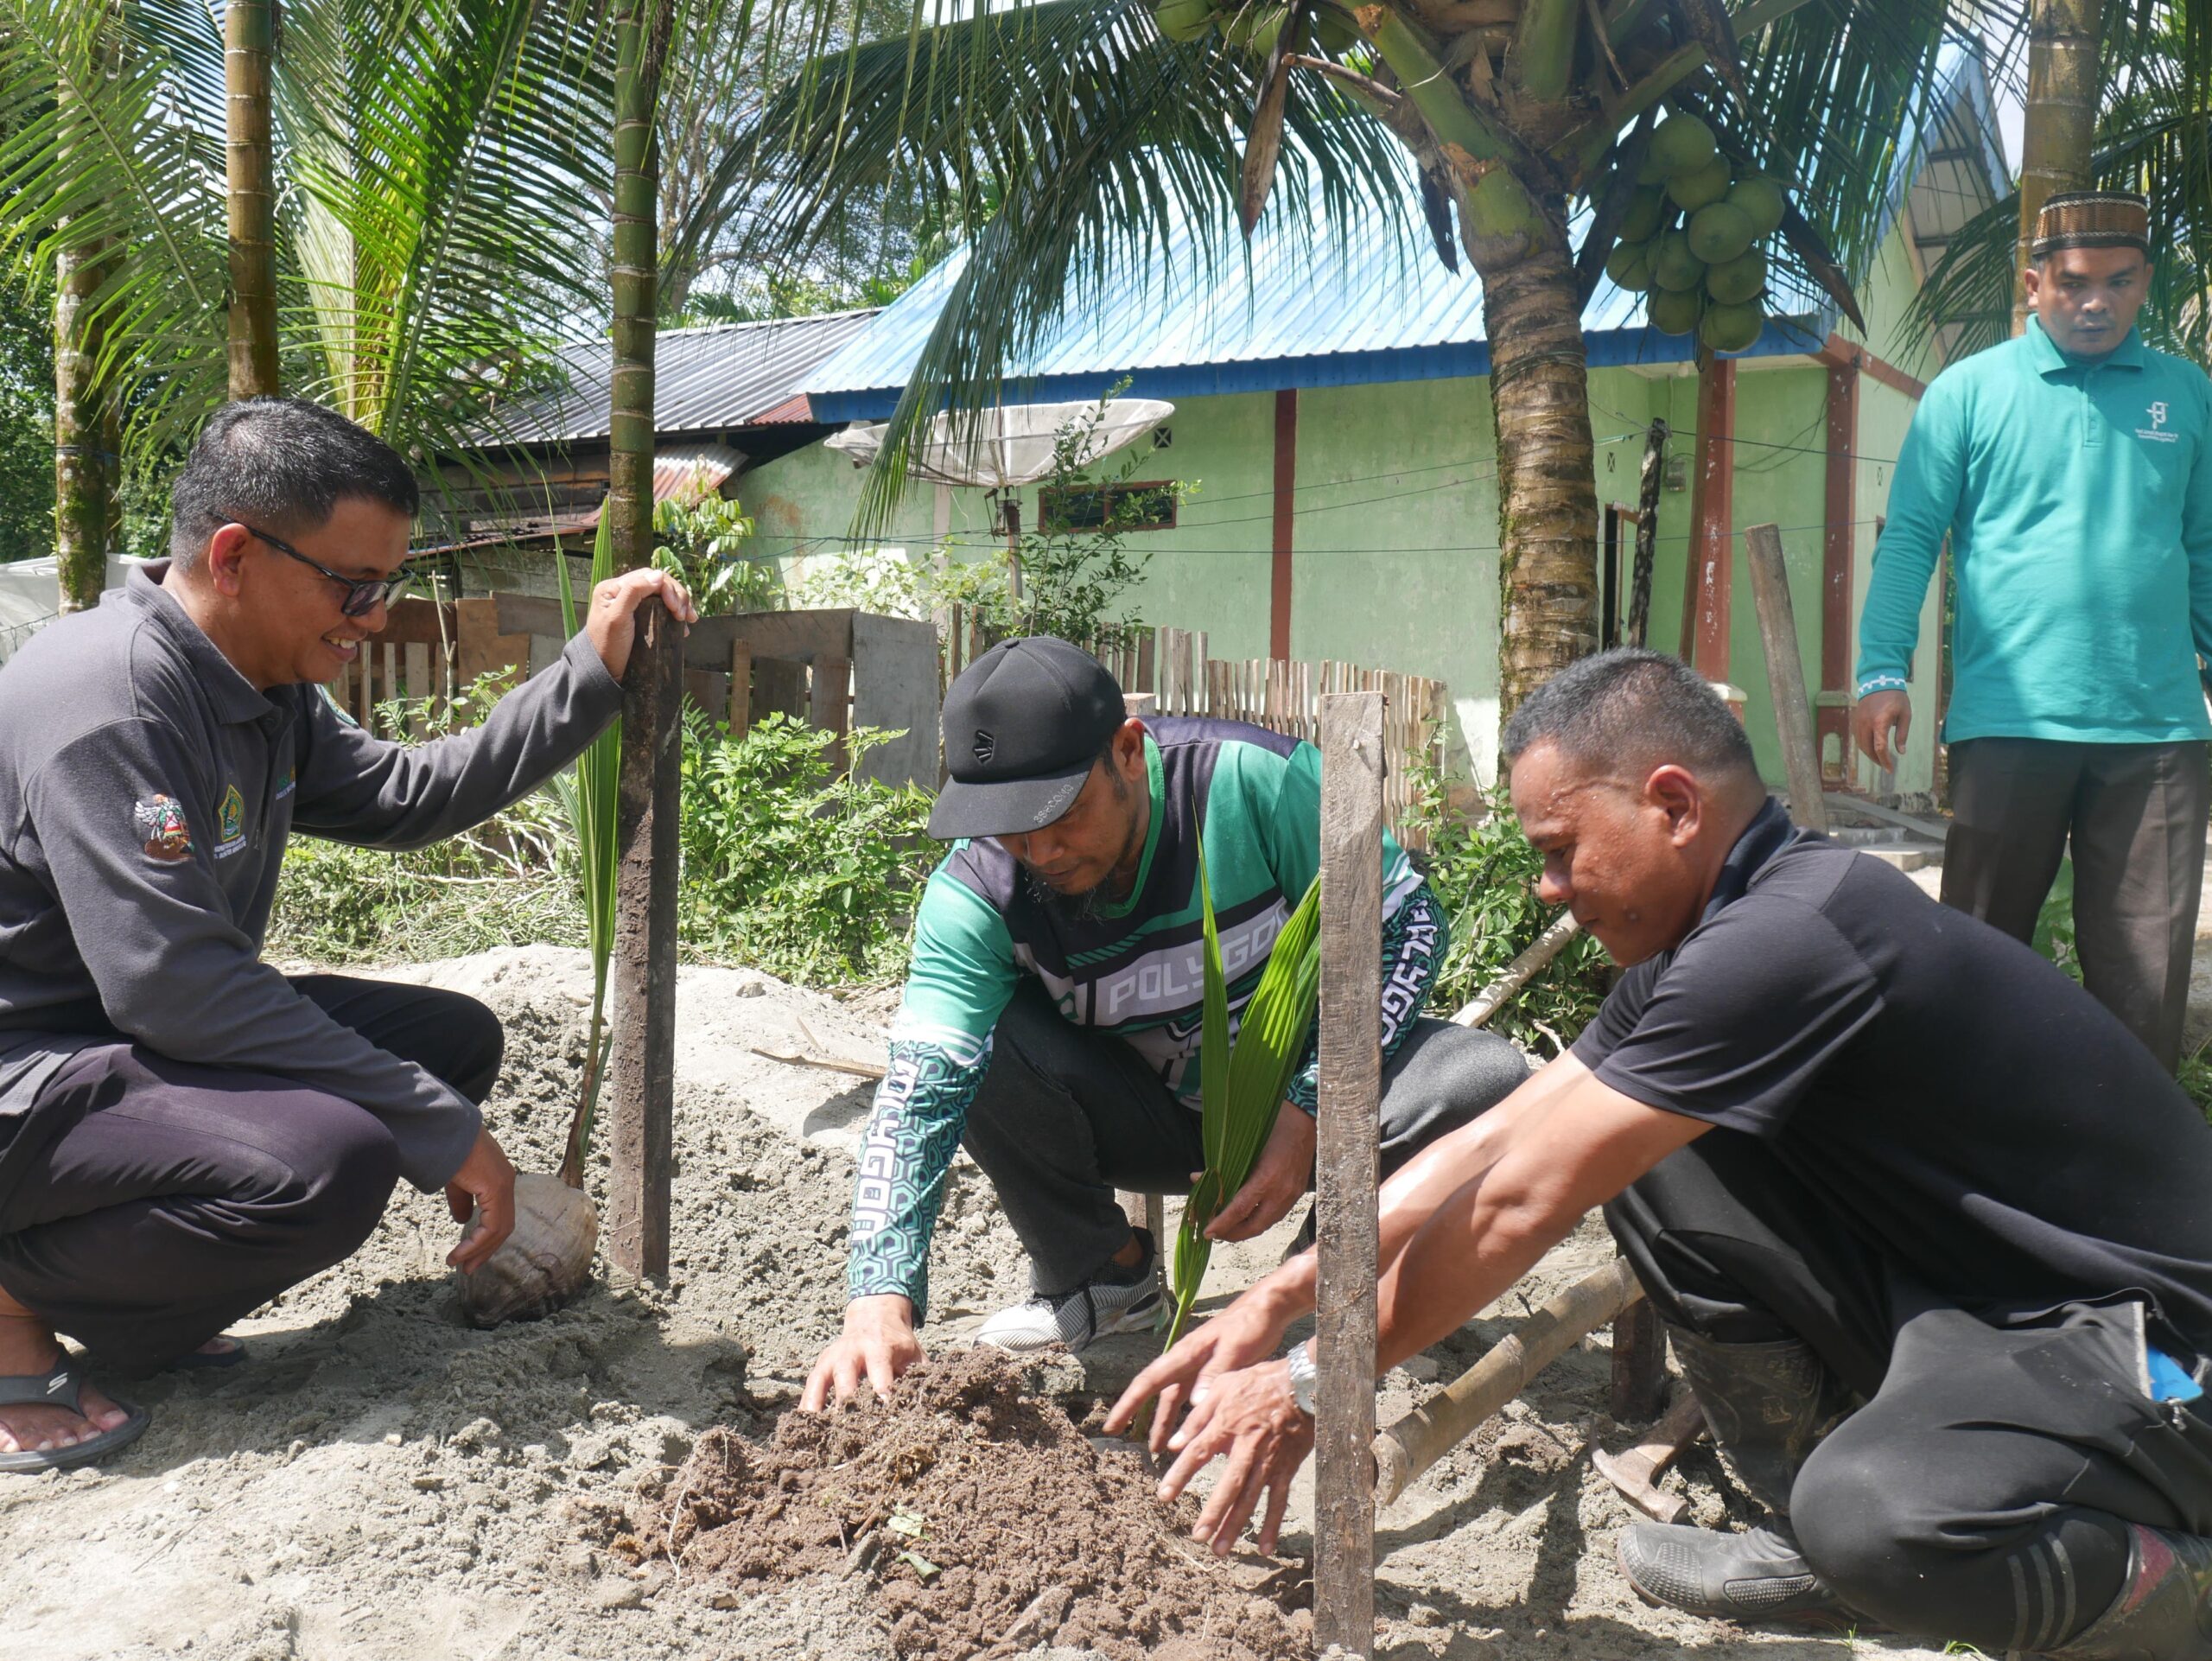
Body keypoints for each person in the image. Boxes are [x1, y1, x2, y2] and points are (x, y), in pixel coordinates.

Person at [1111, 648, 2212, 1661]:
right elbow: (1503, 1136)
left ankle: (2173, 1594)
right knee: (1656, 1161)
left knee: (1881, 1519)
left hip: (2144, 1338)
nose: (1546, 885)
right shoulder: (1716, 934)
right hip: (1971, 1297)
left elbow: (1519, 1206)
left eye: (1557, 850)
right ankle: (1819, 1544)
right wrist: (1283, 1299)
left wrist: (1319, 1375)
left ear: (1673, 804)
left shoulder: (1790, 938)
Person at [0, 397, 695, 1473]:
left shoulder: (261, 685)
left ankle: (140, 1310)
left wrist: (586, 673)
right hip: (25, 1074)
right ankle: (8, 1306)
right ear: (235, 554)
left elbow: (409, 794)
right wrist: (431, 1121)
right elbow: (174, 986)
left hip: (113, 1047)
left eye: (387, 584)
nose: (372, 615)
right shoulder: (114, 698)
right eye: (353, 583)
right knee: (336, 1159)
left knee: (447, 1044)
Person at [802, 636, 1529, 1409]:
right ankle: (1105, 1275)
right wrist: (878, 1296)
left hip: (1309, 1101)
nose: (1039, 851)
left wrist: (1309, 1107)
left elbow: (1411, 923)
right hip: (1151, 1121)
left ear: (1126, 752)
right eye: (1009, 825)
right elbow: (919, 1091)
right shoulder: (977, 890)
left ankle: (1309, 1301)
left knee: (1483, 1078)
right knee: (973, 1048)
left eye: (1061, 814)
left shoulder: (1252, 784)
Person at [1852, 189, 2212, 1072]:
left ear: (2144, 284)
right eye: (2073, 283)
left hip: (2156, 729)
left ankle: (2127, 1172)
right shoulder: (1969, 392)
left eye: (2118, 283)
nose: (2094, 302)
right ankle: (1969, 1145)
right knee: (1981, 951)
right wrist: (1878, 668)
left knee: (2145, 975)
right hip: (2008, 721)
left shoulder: (2185, 392)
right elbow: (1909, 539)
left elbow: (2203, 543)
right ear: (2032, 283)